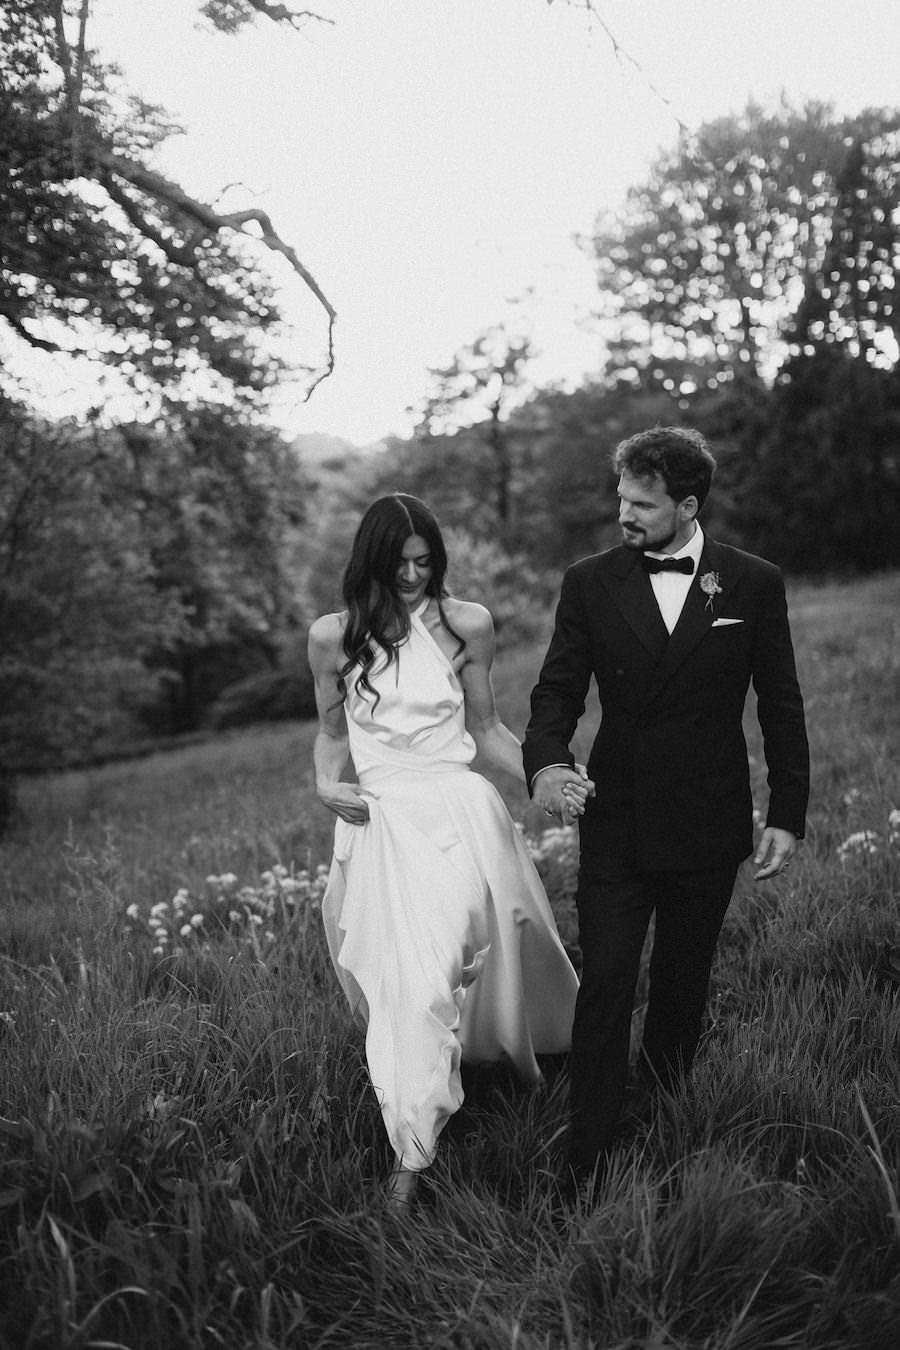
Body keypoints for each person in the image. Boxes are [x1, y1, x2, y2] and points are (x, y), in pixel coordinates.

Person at [523, 426, 810, 1178]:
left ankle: (667, 1124)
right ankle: (588, 1155)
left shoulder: (752, 582)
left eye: (643, 504)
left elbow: (781, 704)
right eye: (621, 498)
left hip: (709, 817)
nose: (625, 514)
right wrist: (549, 764)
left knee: (684, 983)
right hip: (616, 817)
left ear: (688, 505)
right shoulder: (590, 581)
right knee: (608, 980)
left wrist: (787, 812)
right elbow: (557, 691)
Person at [308, 492, 583, 1210]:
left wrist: (548, 775)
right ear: (371, 561)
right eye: (397, 563)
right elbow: (333, 735)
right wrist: (324, 784)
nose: (411, 575)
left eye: (424, 562)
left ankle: (513, 1069)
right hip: (381, 819)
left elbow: (487, 728)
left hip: (459, 810)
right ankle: (414, 1146)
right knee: (406, 979)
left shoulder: (467, 624)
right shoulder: (332, 637)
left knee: (477, 949)